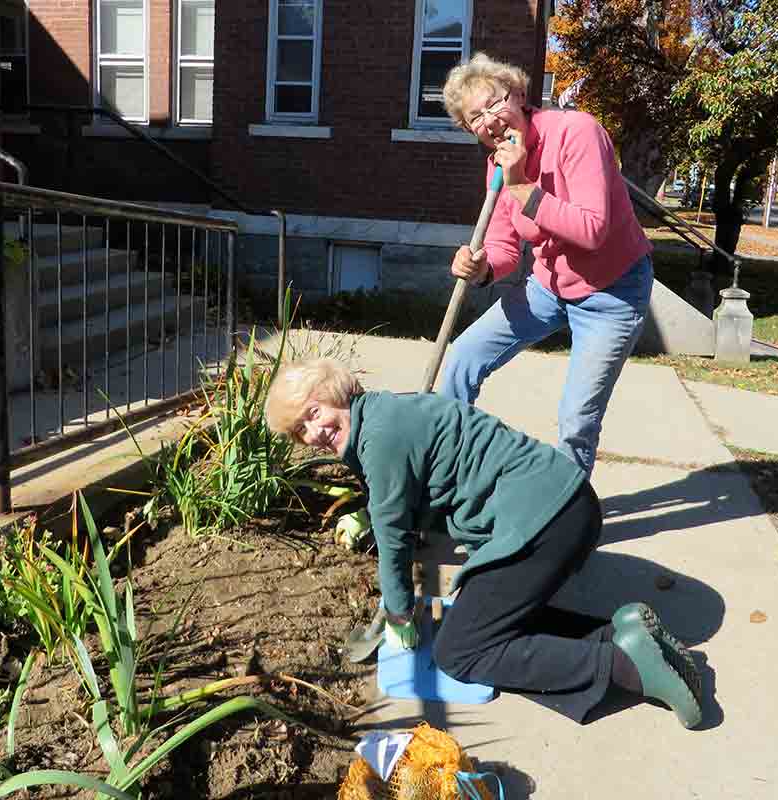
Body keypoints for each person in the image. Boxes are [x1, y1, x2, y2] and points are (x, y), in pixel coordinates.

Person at [264, 358, 703, 728]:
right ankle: (621, 633)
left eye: (314, 412)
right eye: (300, 430)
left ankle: (628, 669)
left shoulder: (379, 438)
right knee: (490, 617)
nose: (314, 432)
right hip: (564, 504)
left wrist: (398, 613)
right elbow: (420, 512)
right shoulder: (385, 414)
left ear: (335, 393)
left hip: (545, 520)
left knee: (461, 651)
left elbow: (393, 534)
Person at [438, 53, 654, 475]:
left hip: (612, 292)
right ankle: (444, 468)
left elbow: (592, 230)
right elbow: (503, 245)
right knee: (463, 356)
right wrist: (481, 267)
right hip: (548, 287)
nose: (490, 120)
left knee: (577, 418)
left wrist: (520, 186)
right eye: (475, 118)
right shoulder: (497, 168)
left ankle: (565, 513)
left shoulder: (577, 133)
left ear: (519, 95)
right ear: (470, 131)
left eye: (495, 103)